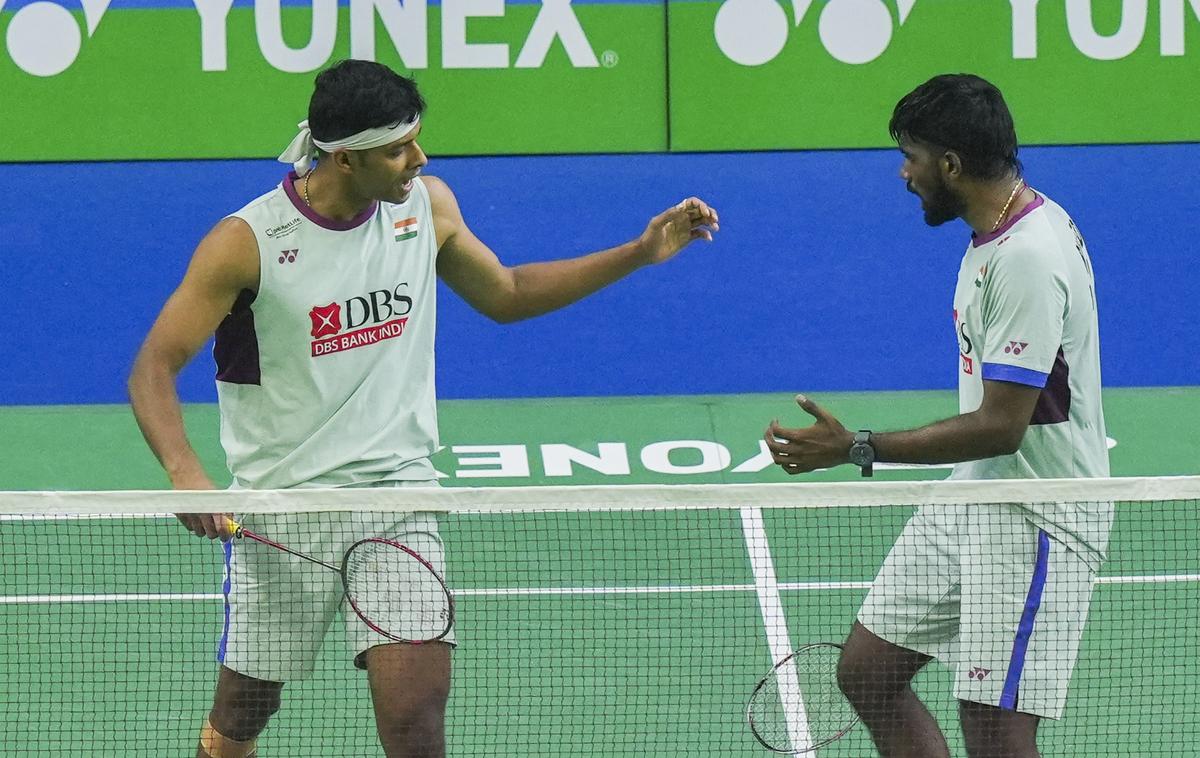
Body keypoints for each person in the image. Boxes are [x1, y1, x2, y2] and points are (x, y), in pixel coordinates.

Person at [128, 59, 718, 758]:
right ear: (344, 159)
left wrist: (639, 252)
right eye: (398, 148)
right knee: (241, 718)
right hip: (283, 509)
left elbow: (508, 293)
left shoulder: (424, 206)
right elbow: (154, 368)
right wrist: (184, 471)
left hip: (397, 492)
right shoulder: (247, 243)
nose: (419, 158)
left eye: (416, 140)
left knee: (415, 720)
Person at [763, 74, 1109, 758]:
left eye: (913, 156)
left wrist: (857, 446)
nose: (904, 172)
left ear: (951, 165)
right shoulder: (1000, 227)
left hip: (1041, 510)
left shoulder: (1028, 259)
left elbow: (1001, 424)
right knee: (868, 672)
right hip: (984, 489)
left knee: (994, 725)